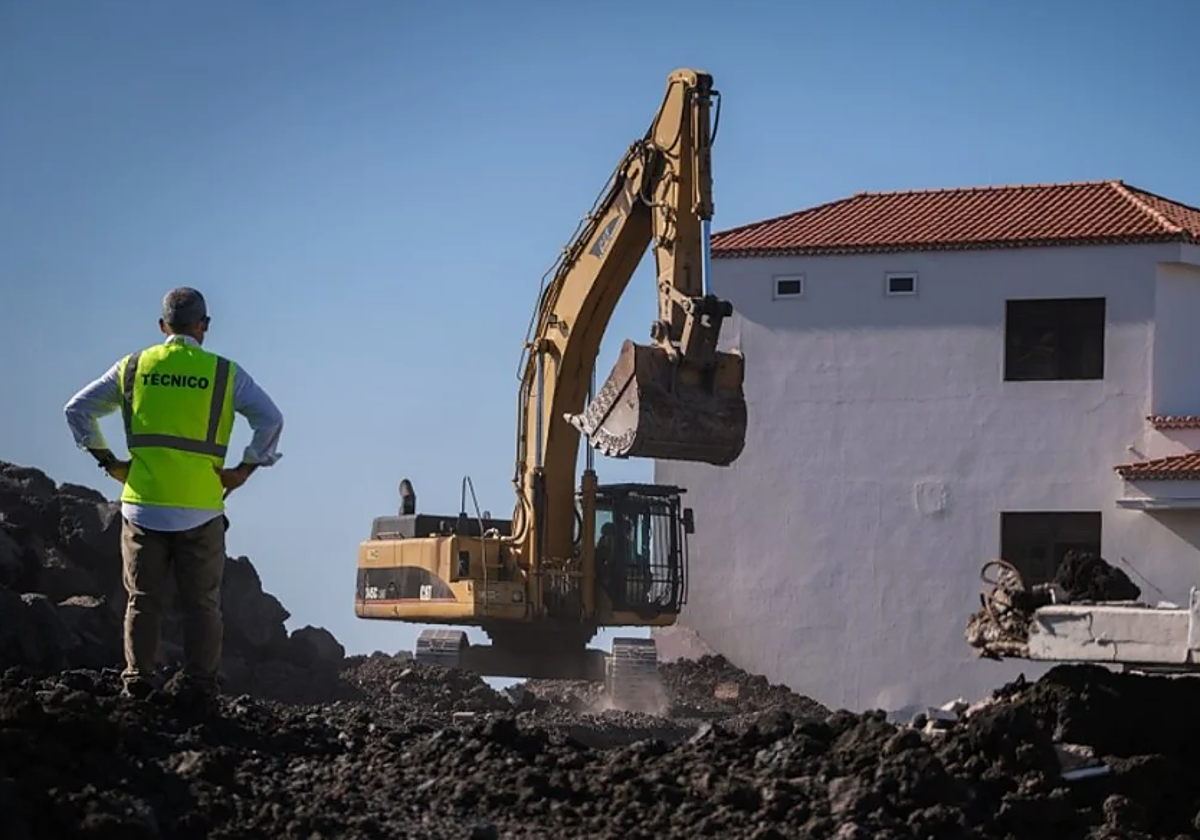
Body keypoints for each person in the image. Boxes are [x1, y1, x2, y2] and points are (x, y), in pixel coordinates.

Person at [63, 287, 284, 702]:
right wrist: (244, 470)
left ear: (162, 326)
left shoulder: (133, 368)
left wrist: (108, 461)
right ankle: (201, 687)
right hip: (201, 508)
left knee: (142, 601)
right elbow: (270, 419)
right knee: (202, 605)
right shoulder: (223, 373)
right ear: (204, 326)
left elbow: (76, 410)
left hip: (143, 505)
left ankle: (137, 682)